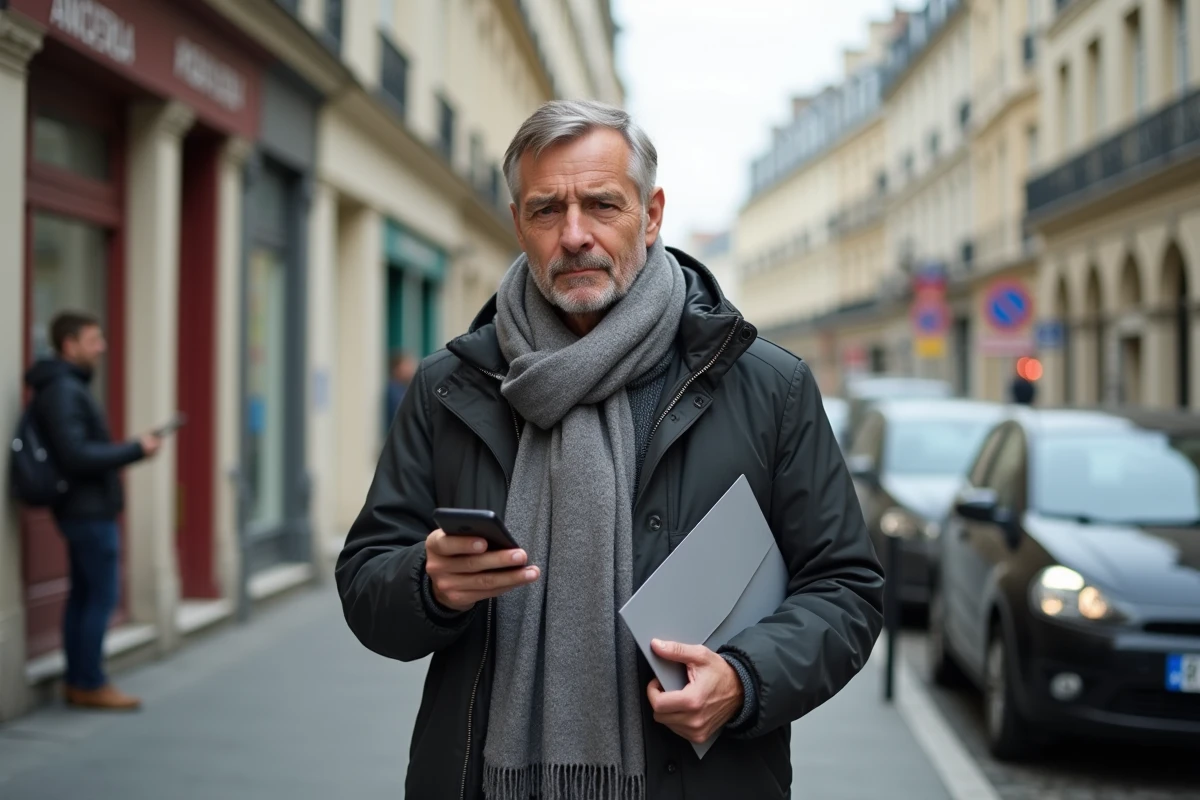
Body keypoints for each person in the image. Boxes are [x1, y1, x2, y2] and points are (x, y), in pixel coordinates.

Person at [336, 101, 884, 800]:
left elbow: (847, 590)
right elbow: (364, 582)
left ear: (651, 215)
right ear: (517, 224)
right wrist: (427, 583)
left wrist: (747, 679)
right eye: (545, 211)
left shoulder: (766, 387)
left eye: (602, 205)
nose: (574, 236)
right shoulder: (451, 388)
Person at [25, 312, 162, 711]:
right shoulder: (65, 389)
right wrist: (135, 449)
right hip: (87, 511)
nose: (101, 347)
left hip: (83, 509)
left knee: (85, 595)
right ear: (69, 344)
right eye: (93, 340)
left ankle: (79, 679)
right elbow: (75, 454)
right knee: (99, 595)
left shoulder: (63, 386)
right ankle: (89, 681)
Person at [386, 350, 417, 424]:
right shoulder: (392, 390)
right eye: (407, 365)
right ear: (396, 368)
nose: (411, 369)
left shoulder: (404, 388)